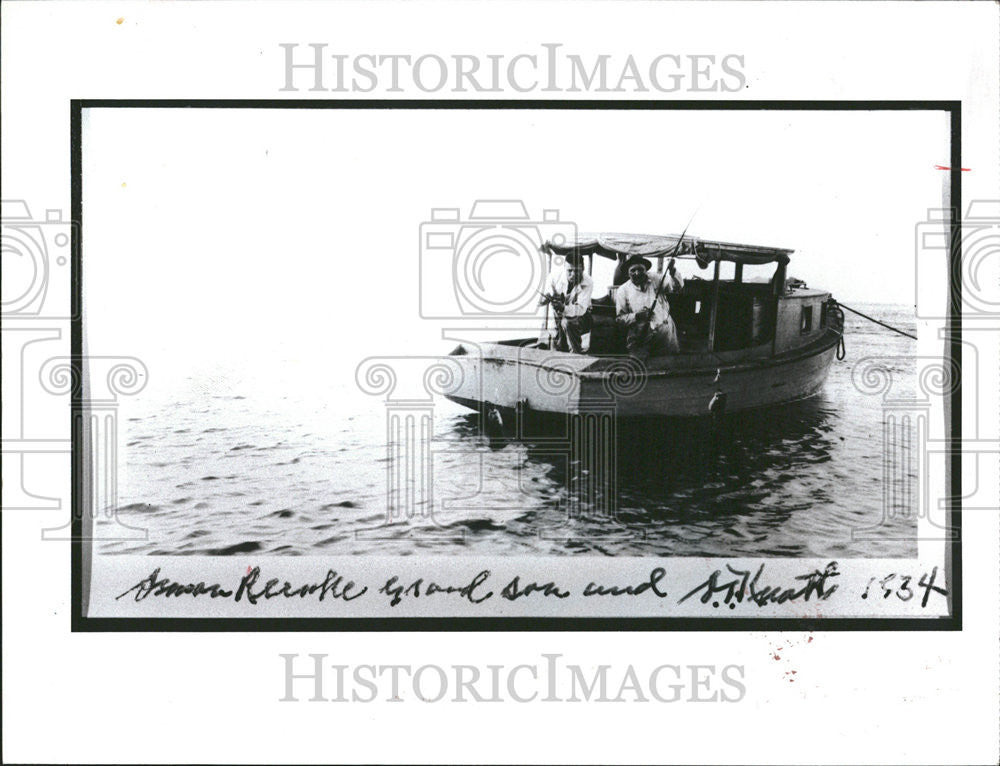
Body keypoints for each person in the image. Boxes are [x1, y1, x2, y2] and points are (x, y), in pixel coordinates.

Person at [615, 253, 684, 360]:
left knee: (667, 363)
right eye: (633, 270)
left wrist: (672, 271)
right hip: (640, 338)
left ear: (646, 270)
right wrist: (637, 316)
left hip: (664, 336)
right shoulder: (622, 290)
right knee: (640, 368)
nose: (637, 273)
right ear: (628, 273)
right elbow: (620, 319)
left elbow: (676, 288)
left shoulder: (656, 279)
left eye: (640, 269)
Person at [539, 253, 594, 353]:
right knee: (557, 335)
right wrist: (544, 299)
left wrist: (563, 308)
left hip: (582, 317)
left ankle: (575, 353)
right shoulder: (553, 277)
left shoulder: (588, 282)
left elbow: (580, 309)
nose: (573, 274)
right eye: (570, 270)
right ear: (564, 267)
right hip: (558, 317)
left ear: (583, 268)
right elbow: (541, 301)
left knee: (568, 323)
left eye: (577, 271)